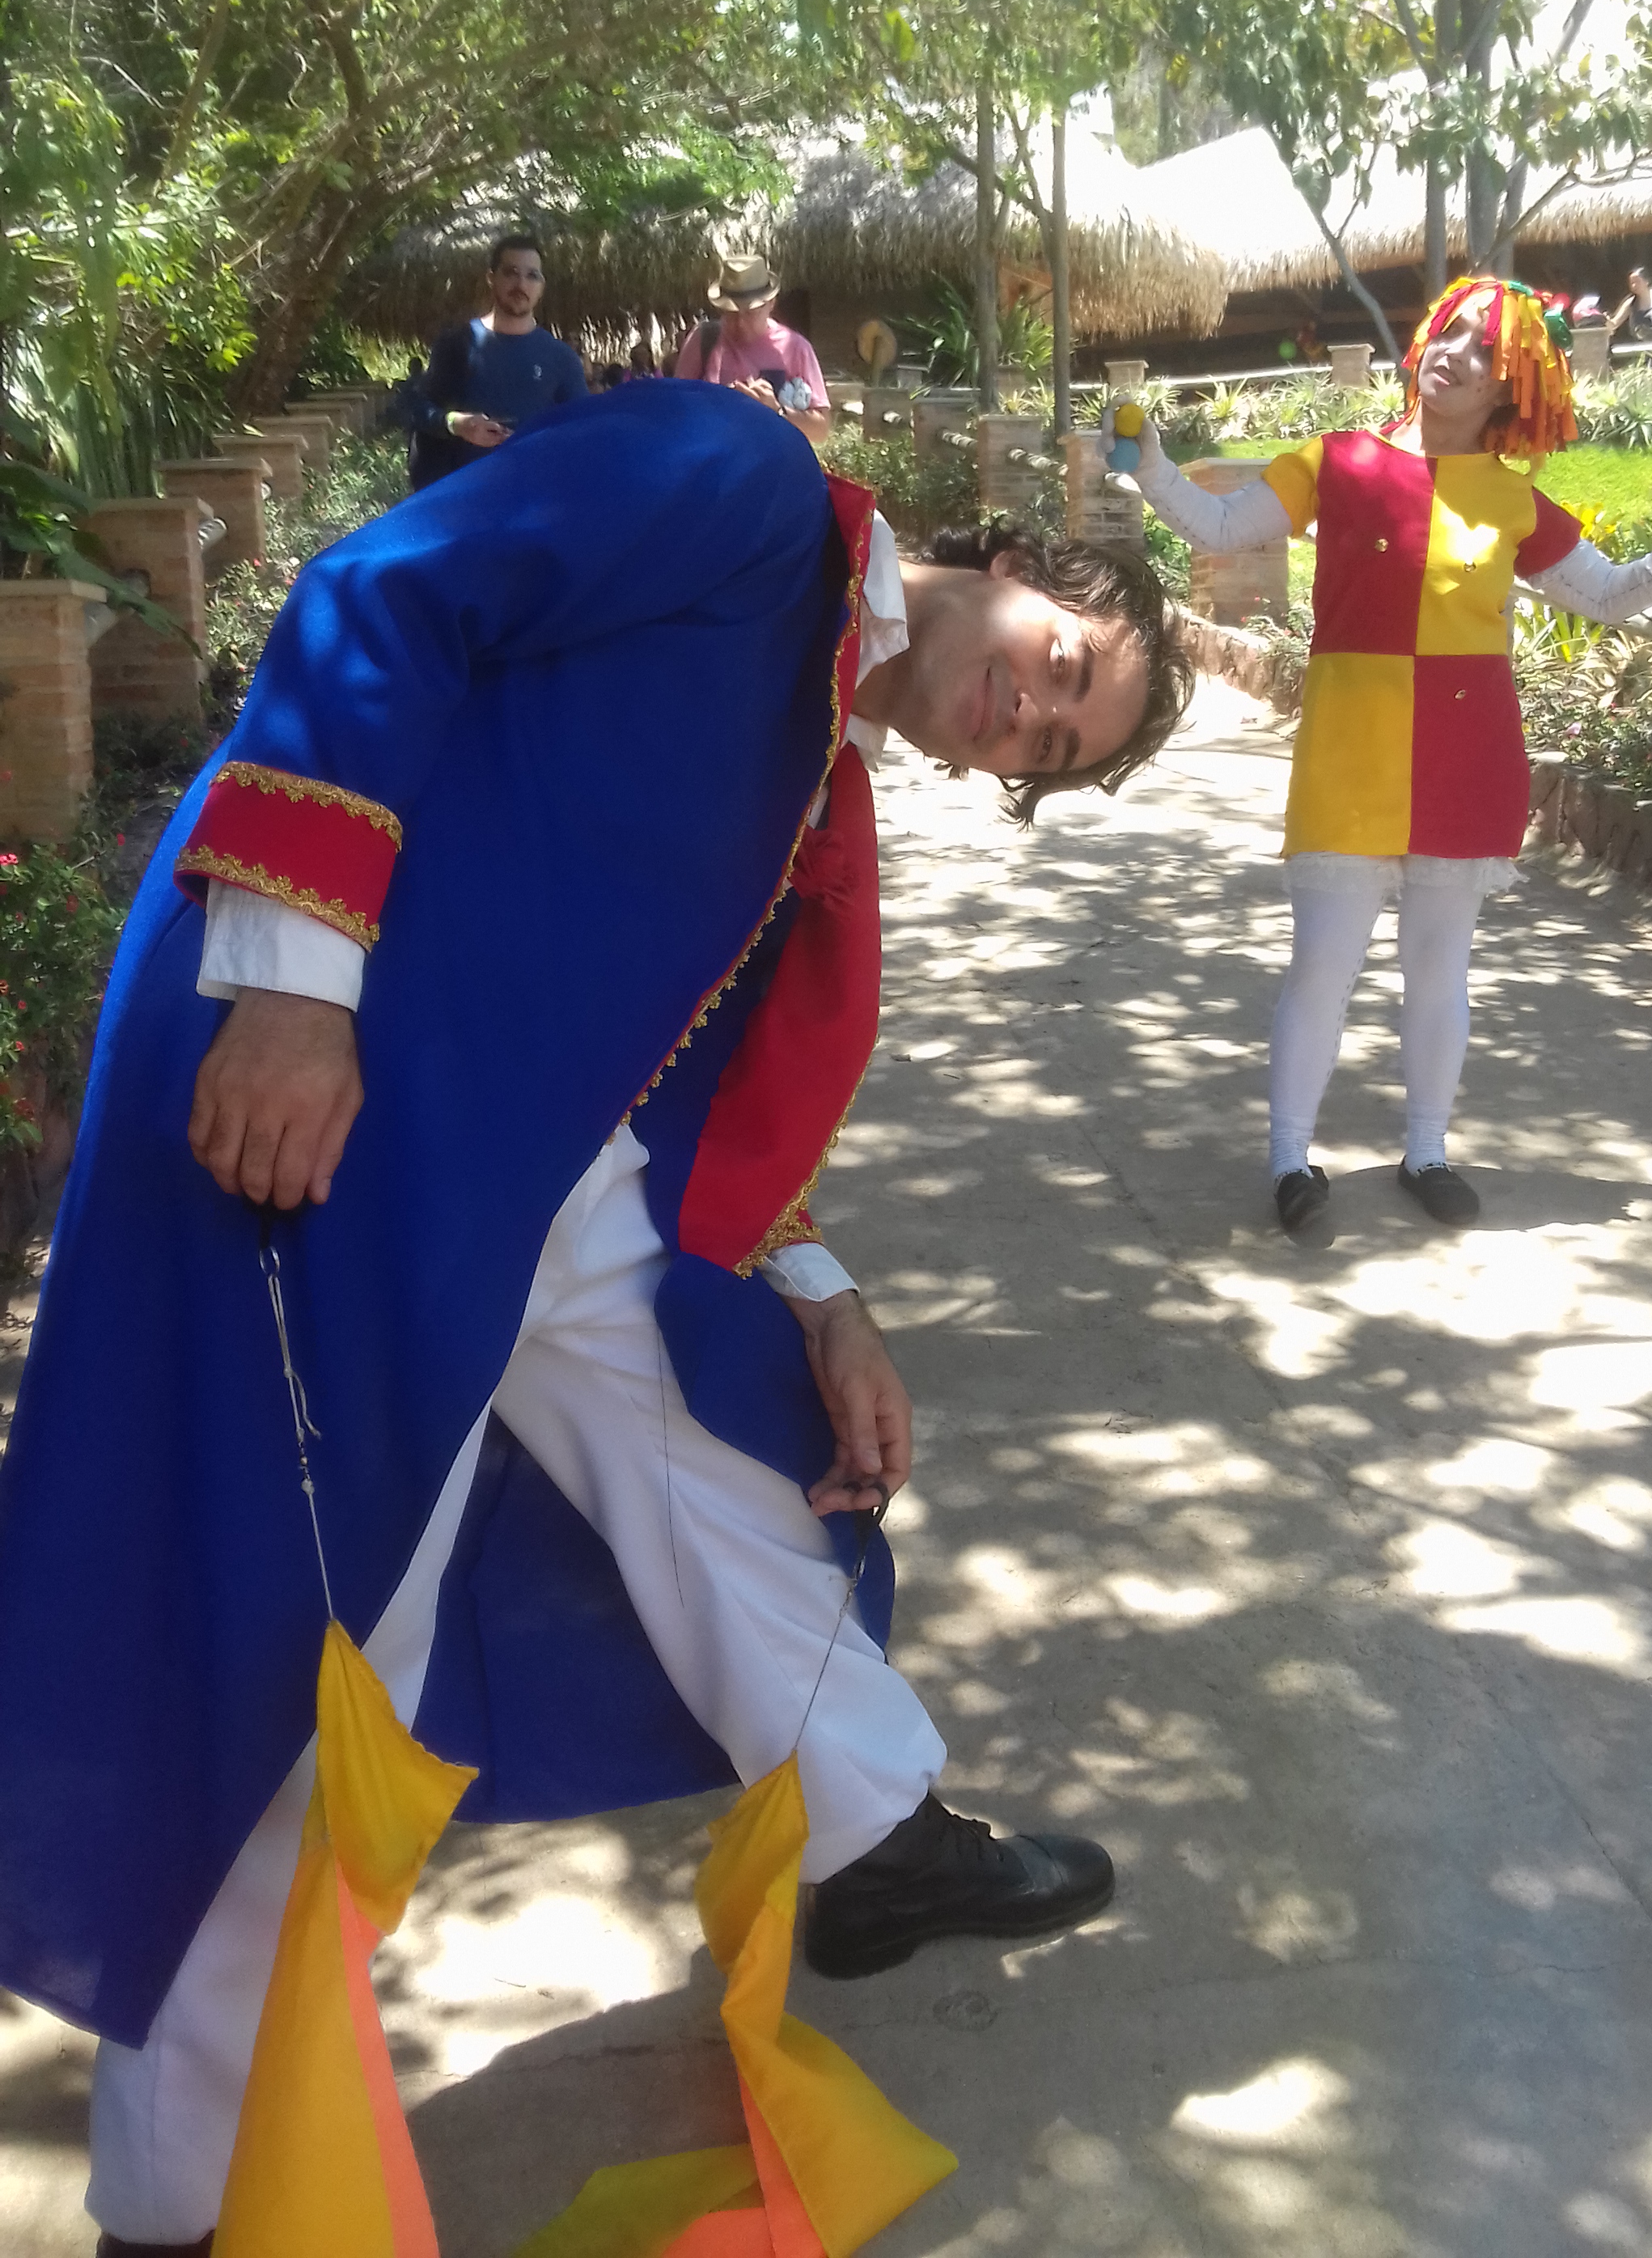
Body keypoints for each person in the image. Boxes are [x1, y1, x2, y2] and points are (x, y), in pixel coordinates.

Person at [0, 383, 1193, 2256]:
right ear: (1024, 568)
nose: (1023, 721)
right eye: (1060, 670)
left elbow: (689, 1062)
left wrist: (823, 1296)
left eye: (1053, 747)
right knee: (306, 1657)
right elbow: (380, 590)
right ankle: (182, 2205)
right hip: (334, 1112)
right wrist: (294, 991)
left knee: (726, 1454)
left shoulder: (818, 759)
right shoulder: (744, 491)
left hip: (523, 1165)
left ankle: (874, 1837)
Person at [1127, 276, 1652, 1239]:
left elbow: (1608, 595)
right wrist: (1154, 470)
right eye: (1449, 332)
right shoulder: (1336, 460)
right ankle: (1290, 1156)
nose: (1456, 354)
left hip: (1467, 757)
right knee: (1322, 967)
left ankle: (1427, 1151)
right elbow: (1221, 527)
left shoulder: (1513, 499)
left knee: (1439, 969)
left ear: (1511, 386)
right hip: (1350, 753)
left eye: (1485, 350)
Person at [403, 231, 588, 488]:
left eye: (532, 276)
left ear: (541, 287)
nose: (521, 285)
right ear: (491, 278)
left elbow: (583, 435)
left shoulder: (562, 359)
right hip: (461, 499)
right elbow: (417, 408)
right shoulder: (456, 344)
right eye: (511, 272)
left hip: (531, 501)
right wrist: (457, 424)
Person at [676, 253, 832, 450]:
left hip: (771, 464)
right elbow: (676, 409)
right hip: (716, 462)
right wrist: (717, 404)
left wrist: (776, 411)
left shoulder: (796, 348)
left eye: (750, 313)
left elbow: (821, 430)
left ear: (771, 303)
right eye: (732, 313)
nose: (740, 323)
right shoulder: (704, 339)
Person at [1608, 266, 1652, 343]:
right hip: (1642, 344)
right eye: (1632, 283)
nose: (1634, 286)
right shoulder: (1630, 302)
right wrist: (1606, 321)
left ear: (1646, 281)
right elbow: (1615, 324)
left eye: (1637, 282)